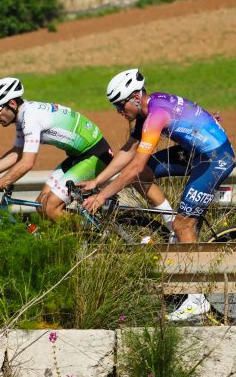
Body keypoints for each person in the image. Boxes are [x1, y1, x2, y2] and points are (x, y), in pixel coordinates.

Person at [80, 68, 235, 321]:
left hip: (215, 159)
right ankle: (170, 223)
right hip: (197, 152)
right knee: (145, 175)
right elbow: (128, 151)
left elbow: (134, 166)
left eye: (120, 105)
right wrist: (97, 181)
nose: (119, 112)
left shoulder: (155, 116)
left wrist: (101, 196)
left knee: (184, 224)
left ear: (134, 98)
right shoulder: (148, 108)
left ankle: (197, 300)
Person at [0, 77, 115, 222]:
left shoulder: (31, 118)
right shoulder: (23, 115)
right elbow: (17, 153)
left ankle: (93, 237)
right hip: (79, 156)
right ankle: (78, 235)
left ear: (12, 104)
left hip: (95, 154)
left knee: (51, 207)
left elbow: (27, 163)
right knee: (41, 205)